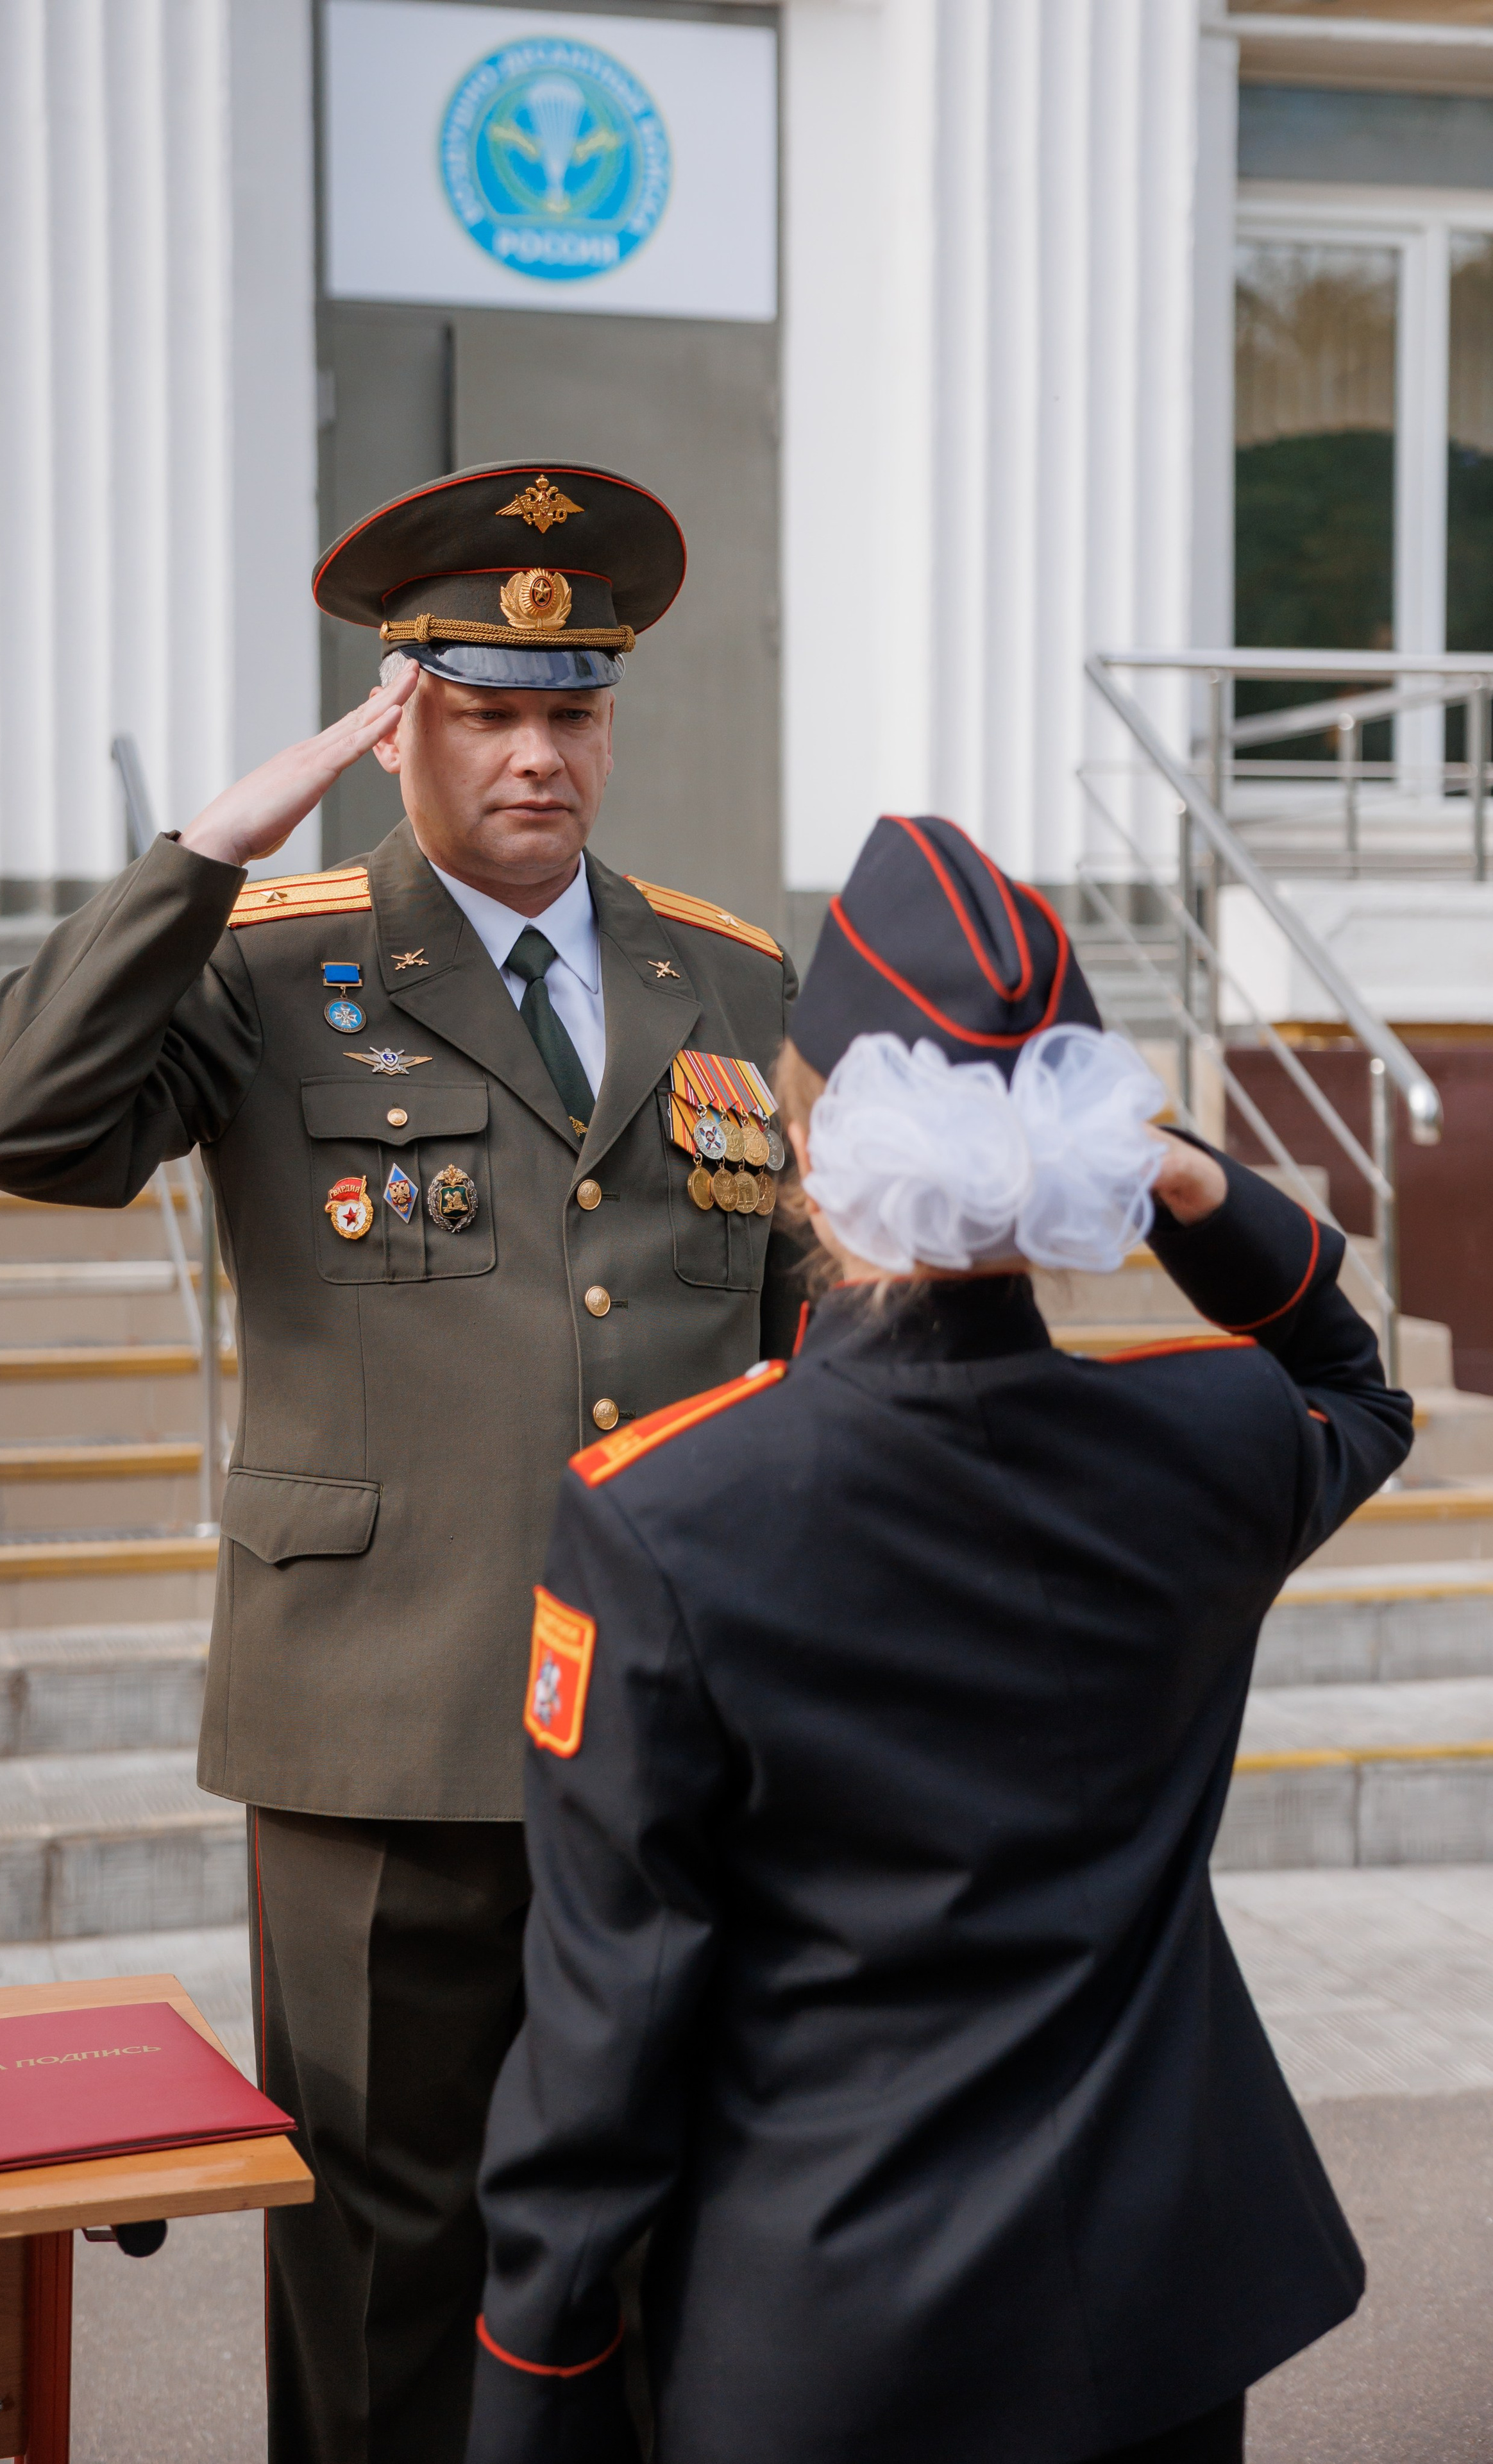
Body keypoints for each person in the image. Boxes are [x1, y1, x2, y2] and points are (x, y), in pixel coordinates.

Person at [0, 459, 803, 2464]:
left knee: (674, 2218)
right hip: (381, 1726)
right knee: (386, 2241)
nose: (535, 754)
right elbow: (12, 1123)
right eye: (486, 709)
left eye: (570, 710)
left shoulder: (724, 974)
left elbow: (788, 1325)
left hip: (677, 1734)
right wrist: (205, 852)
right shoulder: (263, 963)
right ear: (400, 716)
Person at [462, 813, 1413, 2464]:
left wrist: (531, 2391)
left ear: (810, 1134)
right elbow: (1355, 1378)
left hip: (834, 2339)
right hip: (1162, 2310)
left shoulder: (666, 1516)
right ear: (1080, 1145)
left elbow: (608, 2025)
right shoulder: (1210, 1438)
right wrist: (1182, 1179)